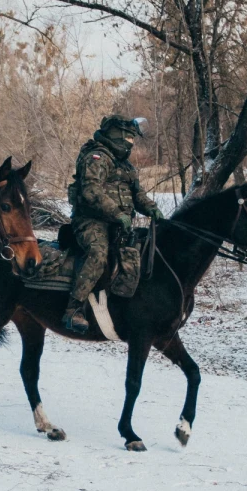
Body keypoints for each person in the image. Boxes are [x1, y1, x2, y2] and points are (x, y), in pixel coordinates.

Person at [63, 114, 164, 333]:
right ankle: (74, 309)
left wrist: (153, 209)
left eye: (132, 138)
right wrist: (117, 213)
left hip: (119, 224)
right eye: (128, 136)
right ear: (115, 134)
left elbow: (138, 195)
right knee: (98, 253)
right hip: (91, 222)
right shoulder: (97, 157)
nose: (131, 142)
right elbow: (91, 191)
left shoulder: (126, 165)